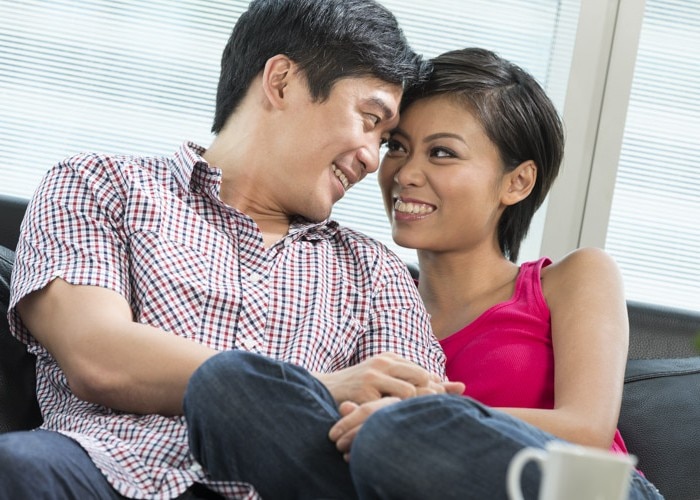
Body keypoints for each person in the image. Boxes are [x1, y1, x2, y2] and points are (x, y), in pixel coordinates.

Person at [0, 1, 464, 498]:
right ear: (282, 81)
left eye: (385, 138)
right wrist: (316, 388)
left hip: (284, 484)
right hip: (107, 472)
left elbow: (414, 417)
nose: (373, 160)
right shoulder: (100, 185)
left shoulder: (374, 270)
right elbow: (97, 356)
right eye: (369, 119)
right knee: (19, 465)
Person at [329, 48, 663, 499]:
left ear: (517, 182)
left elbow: (586, 434)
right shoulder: (374, 306)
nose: (406, 173)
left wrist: (426, 417)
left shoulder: (574, 279)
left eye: (442, 152)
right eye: (398, 147)